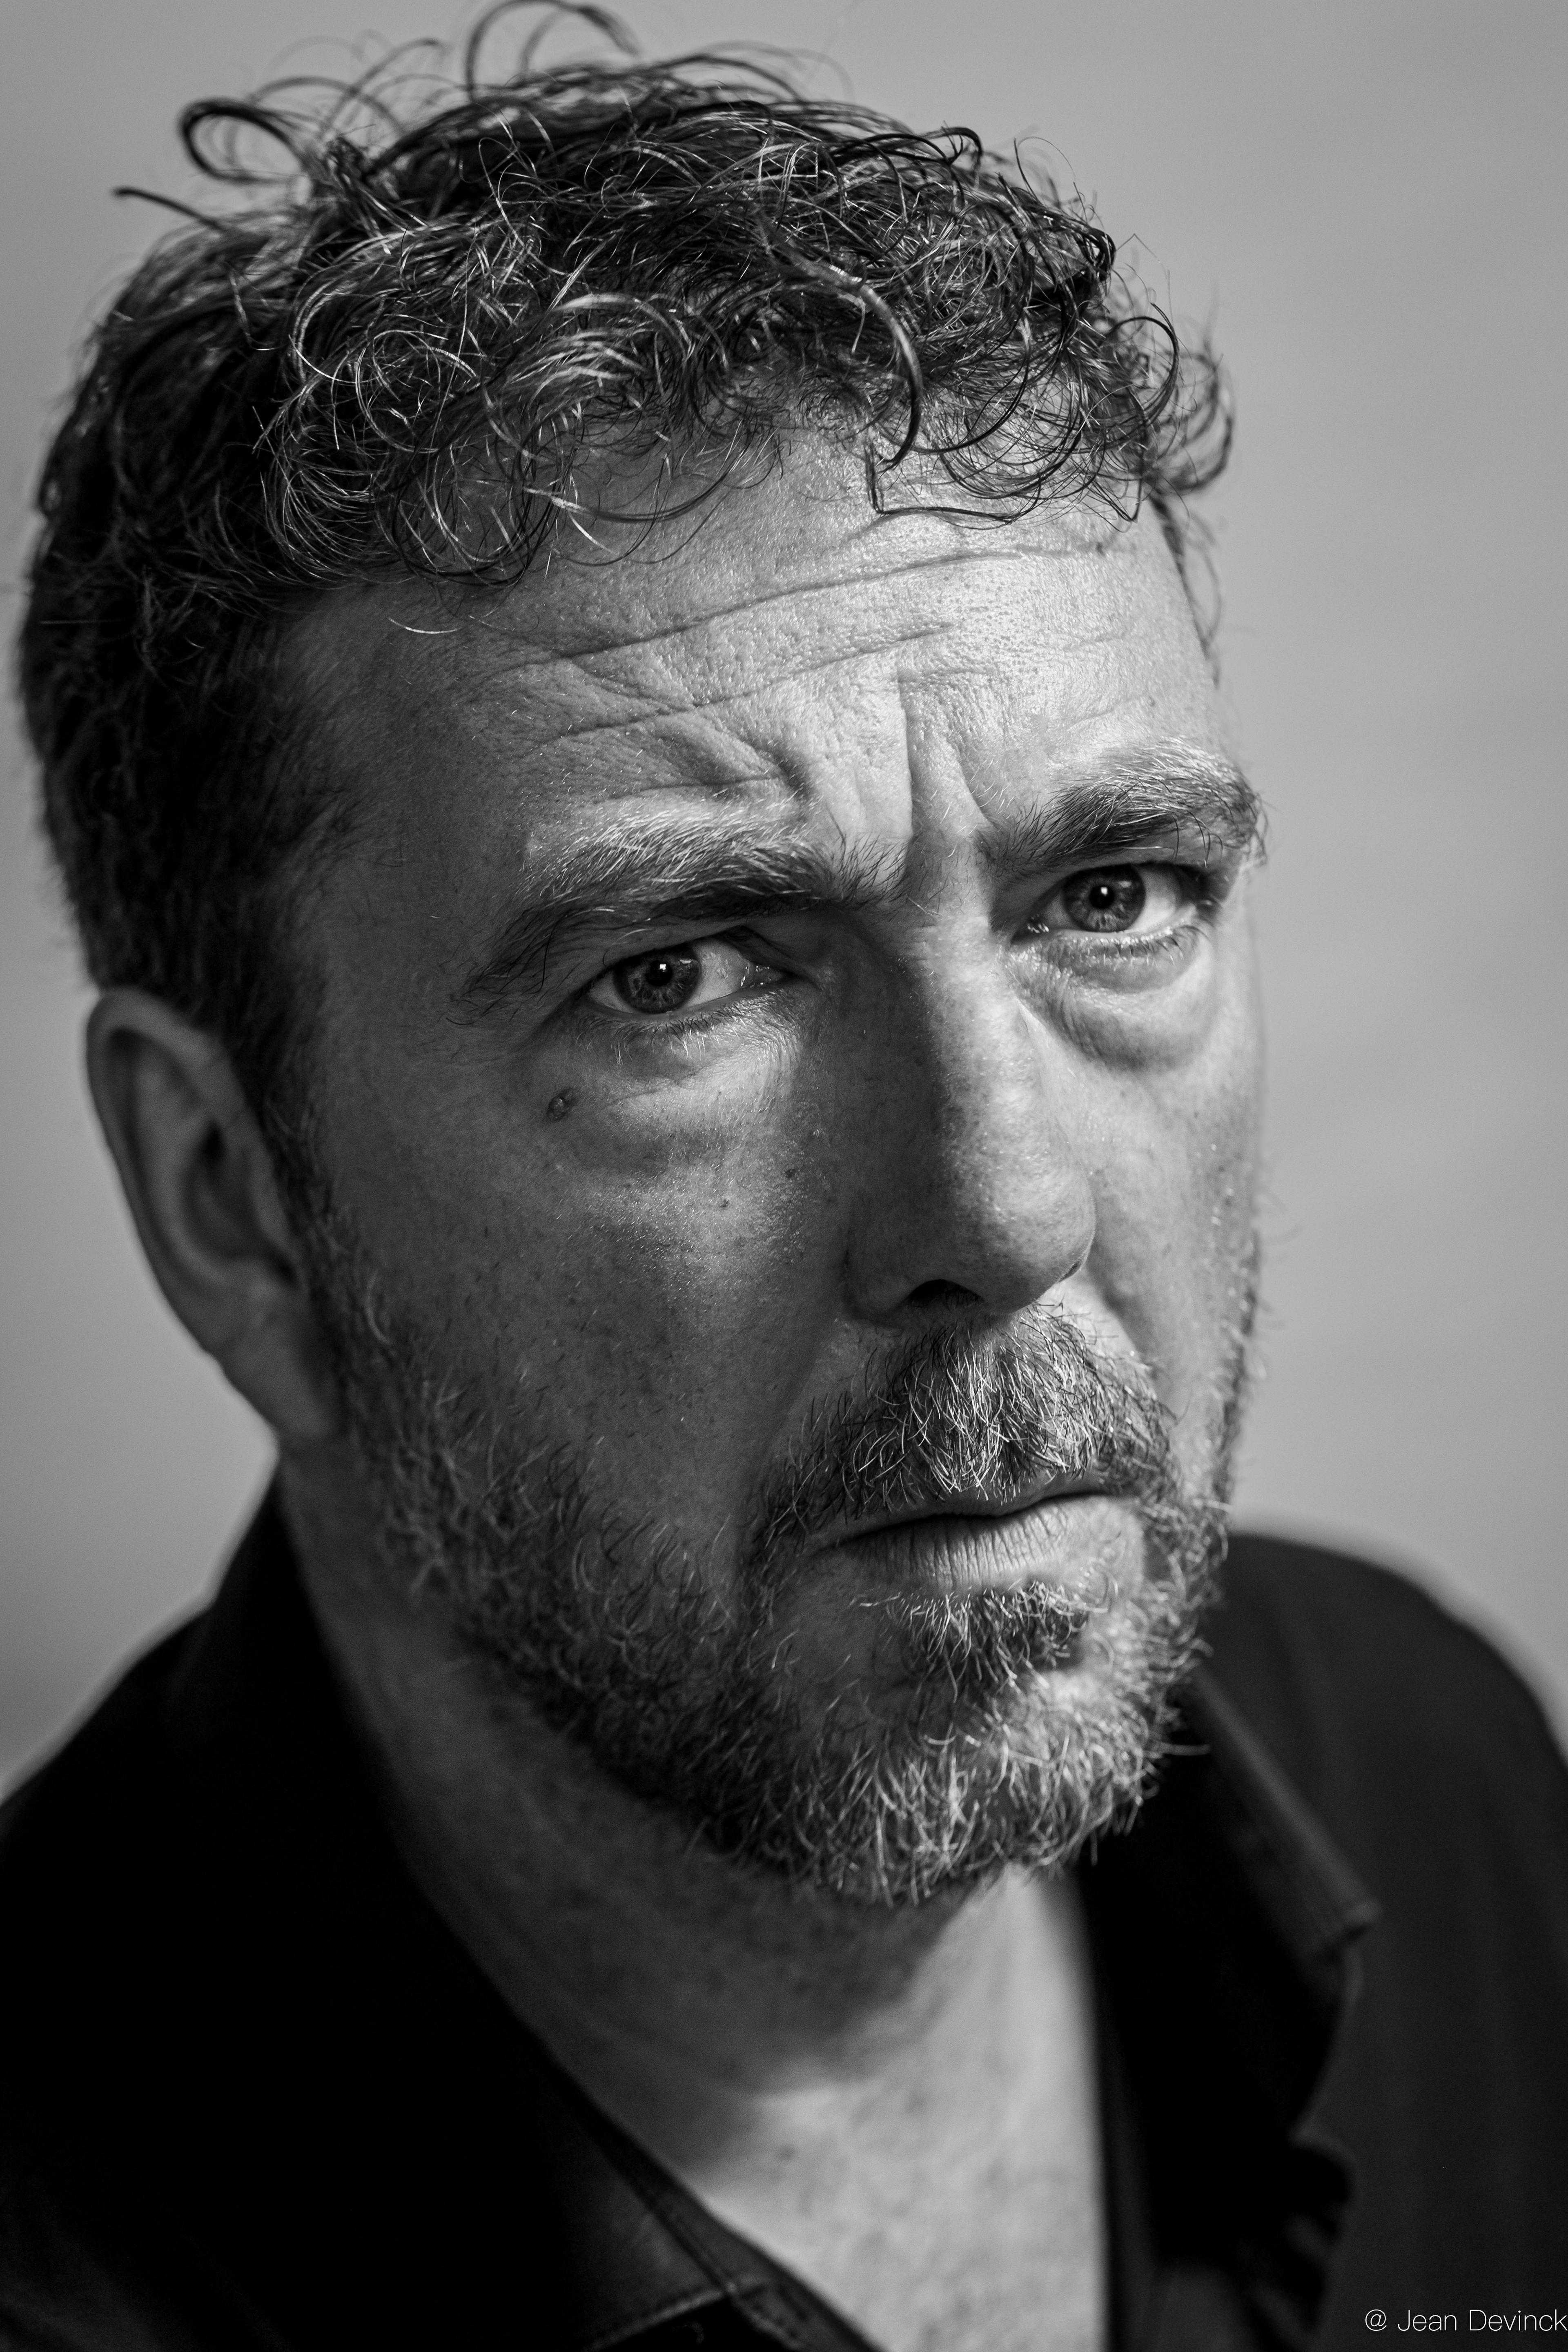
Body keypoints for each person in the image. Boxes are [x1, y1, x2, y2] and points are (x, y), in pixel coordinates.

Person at [4, 25, 1566, 2352]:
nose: (1007, 1213)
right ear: (231, 1198)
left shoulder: (1443, 1774)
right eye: (679, 978)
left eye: (1113, 897)